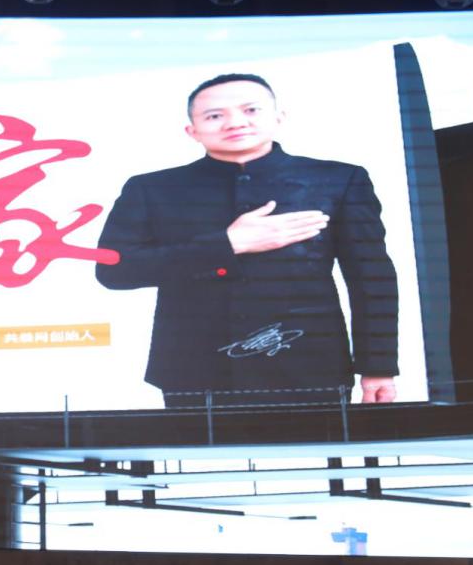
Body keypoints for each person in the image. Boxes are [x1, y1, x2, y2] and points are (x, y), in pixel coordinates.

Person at [95, 73, 399, 407]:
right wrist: (227, 245)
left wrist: (378, 367)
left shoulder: (339, 179)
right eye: (214, 115)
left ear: (278, 117)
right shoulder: (150, 188)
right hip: (194, 368)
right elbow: (113, 270)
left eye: (251, 110)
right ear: (192, 131)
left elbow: (371, 278)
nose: (235, 123)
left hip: (310, 363)